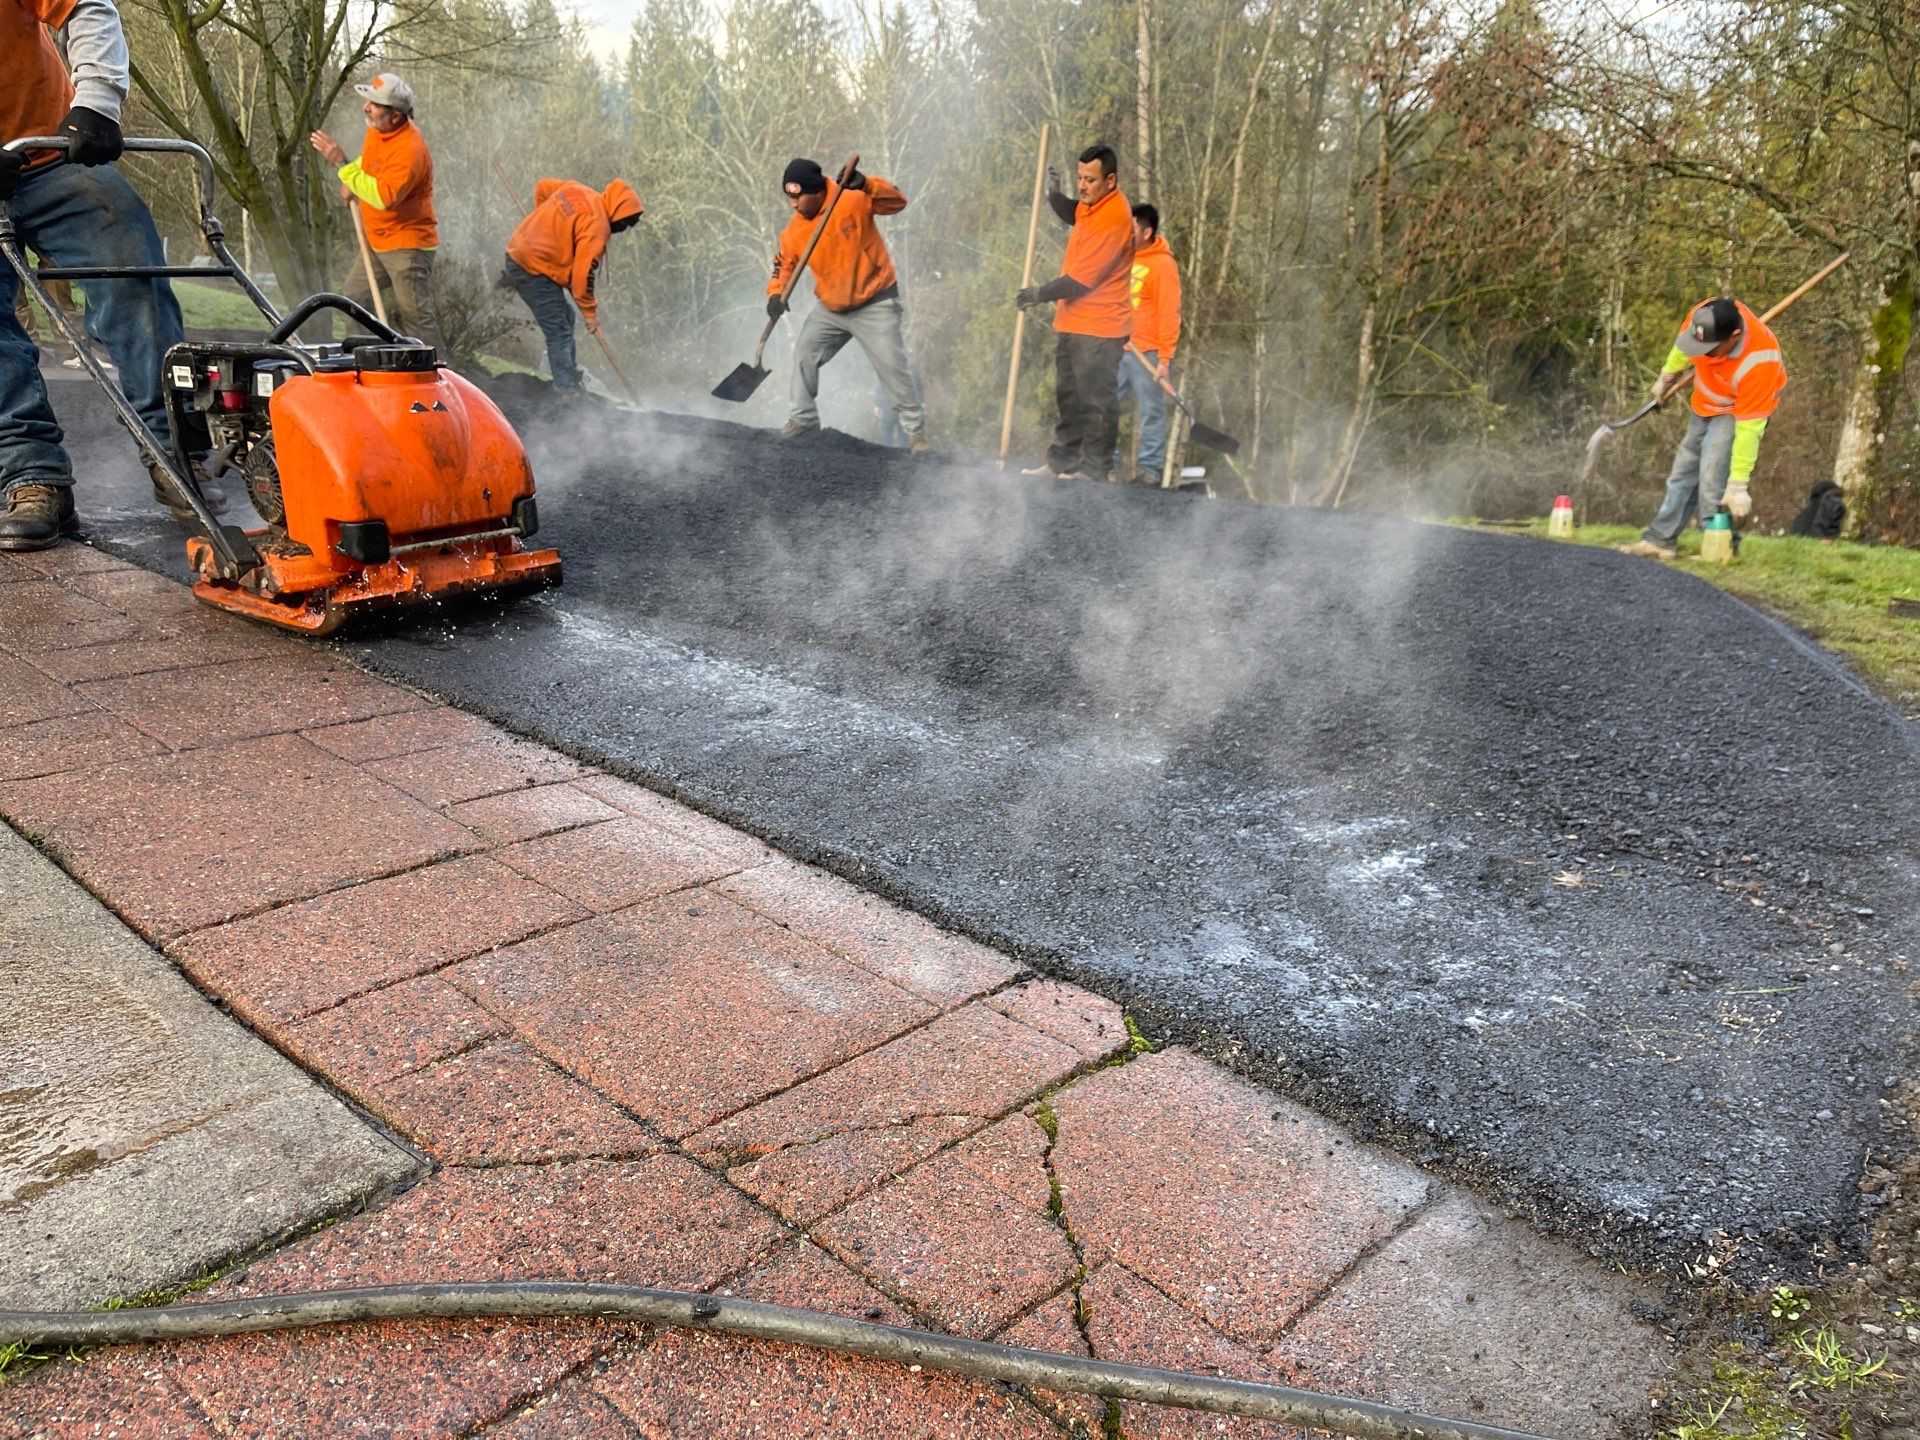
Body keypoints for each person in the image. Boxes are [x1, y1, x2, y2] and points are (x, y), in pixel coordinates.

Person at [1, 0, 216, 548]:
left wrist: (96, 102)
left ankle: (175, 454)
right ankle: (31, 475)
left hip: (53, 152)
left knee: (131, 273)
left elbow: (89, 7)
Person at [767, 158, 927, 452]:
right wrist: (776, 295)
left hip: (875, 301)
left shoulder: (853, 198)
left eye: (798, 197)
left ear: (817, 192)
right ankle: (803, 420)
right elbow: (783, 265)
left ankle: (916, 434)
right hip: (832, 307)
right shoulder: (793, 232)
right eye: (789, 198)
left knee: (893, 366)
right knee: (804, 351)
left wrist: (867, 184)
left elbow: (898, 202)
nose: (793, 205)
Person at [1616, 296, 1786, 560]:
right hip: (1704, 402)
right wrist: (1666, 377)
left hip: (1735, 410)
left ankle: (1720, 548)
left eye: (1709, 348)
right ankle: (1660, 540)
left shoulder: (1761, 361)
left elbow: (1750, 429)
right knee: (1683, 470)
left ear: (1734, 336)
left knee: (1713, 475)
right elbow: (1683, 347)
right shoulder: (1704, 315)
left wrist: (1739, 484)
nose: (1700, 352)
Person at [1015, 144, 1135, 482]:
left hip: (1100, 328)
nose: (1082, 186)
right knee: (1068, 397)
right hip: (1074, 322)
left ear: (1111, 181)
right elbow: (1076, 213)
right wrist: (1056, 197)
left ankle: (1094, 471)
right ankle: (1061, 463)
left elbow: (1081, 281)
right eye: (1079, 178)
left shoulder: (1114, 218)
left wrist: (1039, 294)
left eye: (1090, 180)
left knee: (1096, 402)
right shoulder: (1094, 206)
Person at [310, 74, 443, 354]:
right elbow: (371, 161)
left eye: (375, 104)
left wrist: (342, 165)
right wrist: (352, 179)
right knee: (354, 299)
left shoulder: (410, 150)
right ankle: (369, 363)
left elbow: (383, 197)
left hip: (408, 245)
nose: (366, 107)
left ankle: (439, 378)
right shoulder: (378, 130)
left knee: (415, 318)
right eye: (368, 100)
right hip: (377, 239)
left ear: (395, 116)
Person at [500, 177, 643, 397]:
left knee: (567, 317)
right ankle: (565, 392)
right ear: (618, 214)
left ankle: (570, 376)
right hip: (532, 268)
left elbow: (542, 187)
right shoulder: (598, 227)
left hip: (520, 252)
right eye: (624, 224)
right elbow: (582, 278)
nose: (621, 229)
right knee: (559, 331)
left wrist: (548, 225)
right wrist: (591, 314)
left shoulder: (579, 190)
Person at [1112, 201, 1180, 485]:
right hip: (1118, 348)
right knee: (1104, 403)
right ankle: (1106, 463)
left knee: (1151, 411)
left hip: (1148, 352)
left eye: (1132, 229)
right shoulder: (1123, 257)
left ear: (1148, 232)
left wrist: (1164, 360)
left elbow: (1169, 313)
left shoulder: (1163, 265)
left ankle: (1150, 472)